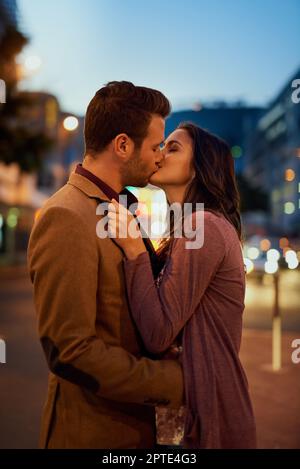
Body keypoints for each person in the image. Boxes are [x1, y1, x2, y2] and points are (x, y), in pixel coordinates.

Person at [27, 81, 184, 449]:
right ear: (123, 145)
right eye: (155, 146)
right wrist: (176, 381)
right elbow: (70, 351)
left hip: (130, 427)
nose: (160, 156)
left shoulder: (120, 206)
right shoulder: (67, 215)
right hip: (93, 433)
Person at [107, 123, 257, 449]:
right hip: (204, 409)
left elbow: (158, 332)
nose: (160, 154)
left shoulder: (202, 225)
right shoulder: (191, 226)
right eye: (162, 146)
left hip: (211, 419)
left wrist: (134, 250)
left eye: (173, 148)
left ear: (200, 168)